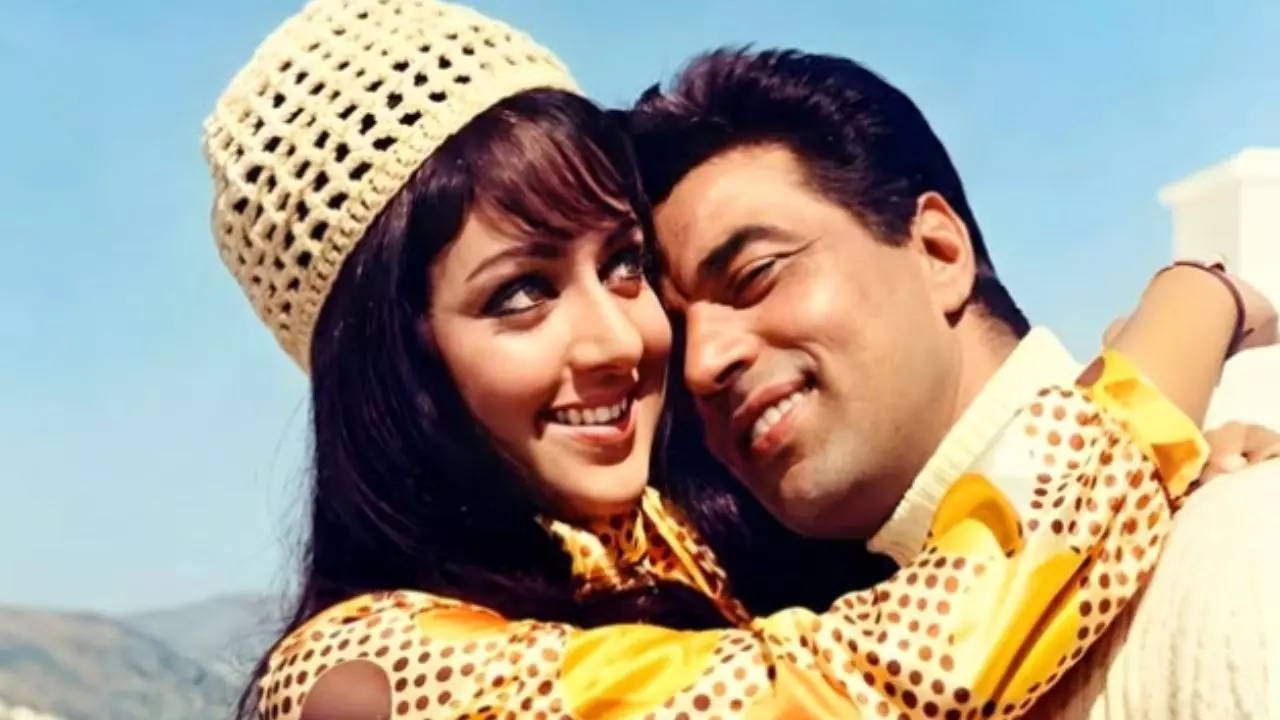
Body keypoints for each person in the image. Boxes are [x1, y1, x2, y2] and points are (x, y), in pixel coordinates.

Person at [203, 2, 1273, 718]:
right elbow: (875, 683)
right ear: (399, 376)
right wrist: (1189, 314)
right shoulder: (367, 678)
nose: (625, 339)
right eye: (519, 294)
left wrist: (1165, 470)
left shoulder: (684, 546)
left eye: (622, 265)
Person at [627, 47, 1280, 718]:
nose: (701, 362)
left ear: (939, 252)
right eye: (677, 338)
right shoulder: (828, 656)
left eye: (756, 274)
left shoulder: (1245, 558)